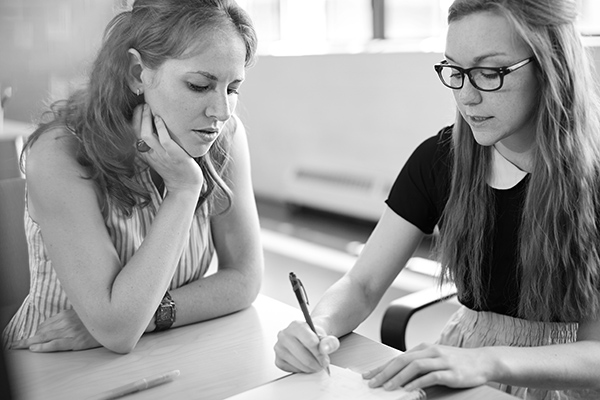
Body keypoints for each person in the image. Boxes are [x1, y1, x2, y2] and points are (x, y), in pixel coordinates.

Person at [274, 0, 600, 398]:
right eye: (455, 71)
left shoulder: (591, 177)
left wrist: (488, 360)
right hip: (467, 364)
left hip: (562, 377)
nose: (467, 96)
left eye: (488, 72)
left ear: (551, 66)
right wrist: (317, 328)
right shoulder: (441, 158)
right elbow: (362, 283)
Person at [2, 0, 263, 354]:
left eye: (233, 88)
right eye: (201, 85)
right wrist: (183, 191)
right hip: (49, 366)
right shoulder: (59, 154)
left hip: (163, 353)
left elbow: (244, 280)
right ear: (137, 72)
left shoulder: (224, 134)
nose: (221, 111)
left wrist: (151, 315)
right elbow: (117, 331)